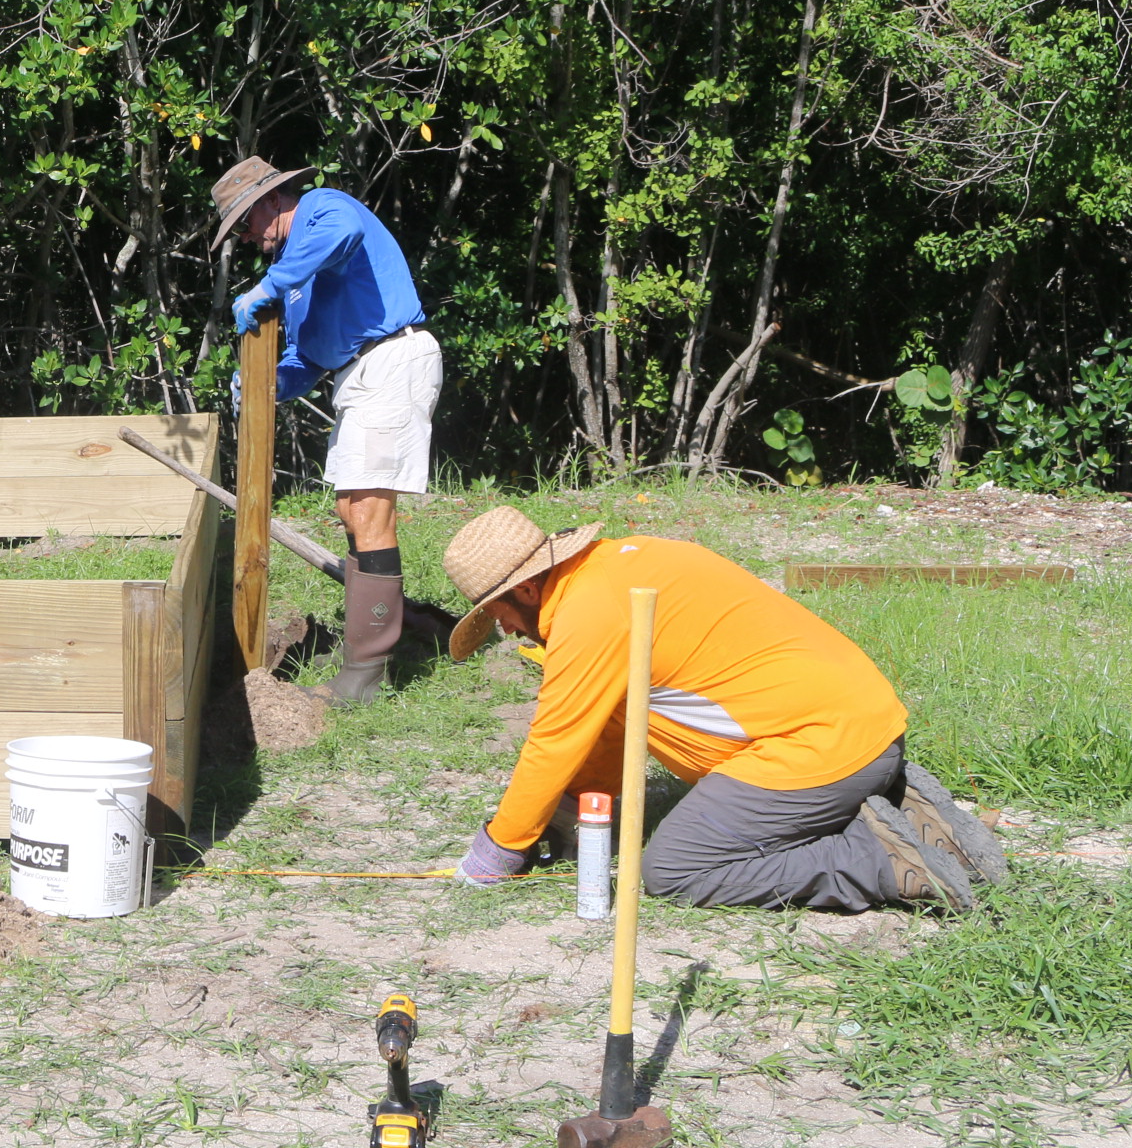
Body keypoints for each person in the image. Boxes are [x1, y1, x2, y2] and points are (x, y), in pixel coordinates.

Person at [441, 506, 1011, 911]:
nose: (506, 630)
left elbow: (555, 739)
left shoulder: (588, 614)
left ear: (525, 590)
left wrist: (499, 851)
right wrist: (577, 810)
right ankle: (892, 798)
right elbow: (608, 722)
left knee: (673, 870)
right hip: (863, 728)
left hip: (815, 749)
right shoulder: (625, 563)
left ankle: (878, 859)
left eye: (496, 615)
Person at [210, 155, 443, 704]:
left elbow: (347, 232)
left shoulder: (322, 209)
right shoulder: (296, 277)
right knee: (350, 511)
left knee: (367, 510)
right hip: (356, 377)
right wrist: (266, 382)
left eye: (246, 223)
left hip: (391, 358)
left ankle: (365, 673)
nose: (247, 237)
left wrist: (270, 285)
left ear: (271, 200)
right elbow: (306, 359)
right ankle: (375, 649)